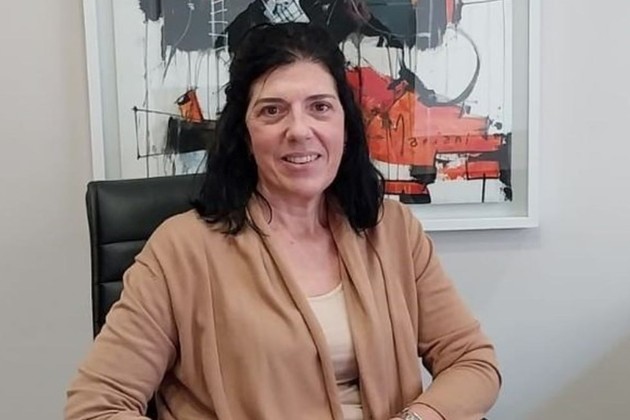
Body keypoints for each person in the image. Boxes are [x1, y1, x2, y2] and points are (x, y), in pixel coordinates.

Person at [65, 22, 501, 420]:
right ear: (245, 133)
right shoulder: (180, 250)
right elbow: (96, 407)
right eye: (272, 111)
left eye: (320, 107)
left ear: (345, 125)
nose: (300, 130)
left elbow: (472, 361)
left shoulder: (392, 230)